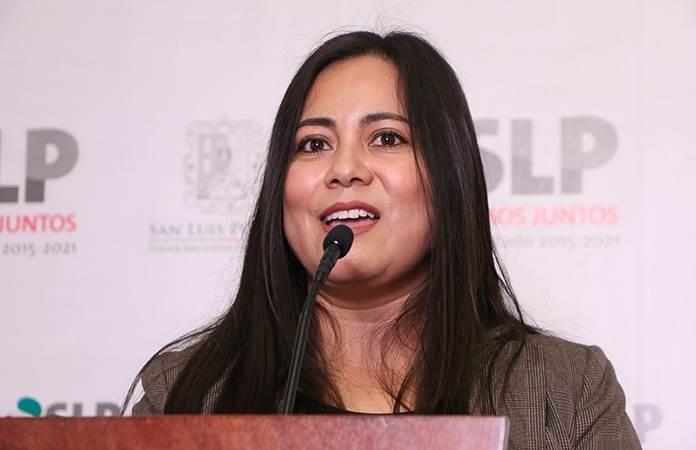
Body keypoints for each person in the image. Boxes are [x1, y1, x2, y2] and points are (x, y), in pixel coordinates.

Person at [123, 30, 641, 449]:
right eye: (314, 144)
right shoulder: (185, 393)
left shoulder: (565, 392)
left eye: (387, 138)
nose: (344, 168)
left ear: (449, 175)